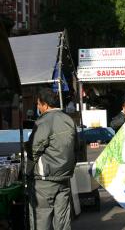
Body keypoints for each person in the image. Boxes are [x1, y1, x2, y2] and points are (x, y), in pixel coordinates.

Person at [26, 88, 77, 230]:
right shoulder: (68, 119)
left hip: (45, 180)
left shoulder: (43, 121)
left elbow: (33, 149)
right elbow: (76, 148)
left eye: (38, 104)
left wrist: (28, 171)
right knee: (63, 220)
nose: (37, 107)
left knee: (41, 218)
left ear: (45, 104)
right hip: (64, 177)